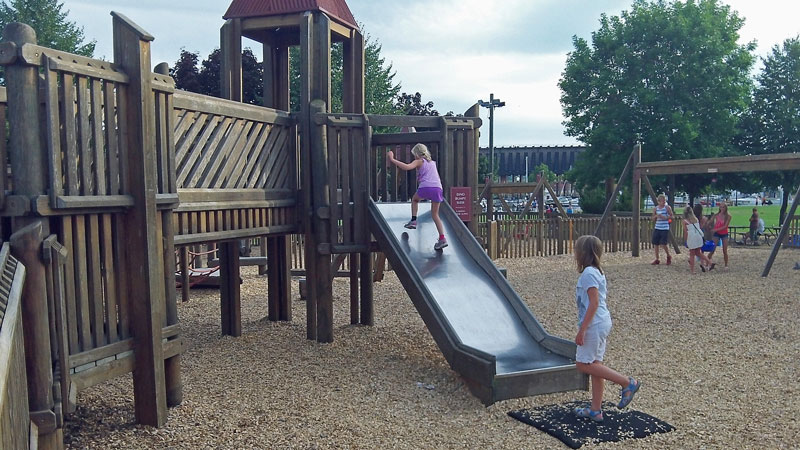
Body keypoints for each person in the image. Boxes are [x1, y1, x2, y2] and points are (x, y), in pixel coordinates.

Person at [572, 235, 640, 423]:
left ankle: (627, 382)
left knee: (582, 364)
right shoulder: (596, 271)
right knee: (595, 365)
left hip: (594, 323)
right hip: (601, 321)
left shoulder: (588, 274)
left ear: (583, 253)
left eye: (576, 250)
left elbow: (593, 303)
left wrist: (582, 329)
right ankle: (595, 410)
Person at [387, 144, 447, 250]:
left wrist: (392, 159)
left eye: (414, 155)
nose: (414, 157)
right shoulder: (432, 163)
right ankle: (442, 238)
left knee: (414, 200)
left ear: (418, 154)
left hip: (425, 187)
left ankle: (414, 220)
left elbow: (407, 167)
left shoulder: (420, 161)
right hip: (438, 188)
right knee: (435, 215)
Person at [683, 207, 713, 274]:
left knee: (692, 254)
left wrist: (685, 240)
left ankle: (692, 270)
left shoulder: (685, 221)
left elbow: (685, 231)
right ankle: (709, 262)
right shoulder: (696, 219)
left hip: (691, 237)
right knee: (698, 252)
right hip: (698, 236)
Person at [650, 194, 674, 265]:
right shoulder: (655, 208)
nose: (663, 202)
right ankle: (657, 258)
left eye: (664, 201)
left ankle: (668, 255)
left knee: (663, 243)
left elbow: (672, 216)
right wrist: (657, 216)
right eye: (662, 201)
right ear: (659, 201)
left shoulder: (667, 208)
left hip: (665, 227)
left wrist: (666, 218)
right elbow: (652, 218)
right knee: (656, 243)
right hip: (657, 227)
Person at [708, 202, 732, 268]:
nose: (722, 208)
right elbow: (710, 221)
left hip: (724, 233)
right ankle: (707, 263)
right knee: (712, 248)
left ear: (726, 208)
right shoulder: (716, 215)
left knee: (725, 250)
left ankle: (726, 265)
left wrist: (715, 229)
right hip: (717, 233)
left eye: (723, 207)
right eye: (721, 207)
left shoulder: (728, 216)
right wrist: (708, 225)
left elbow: (725, 226)